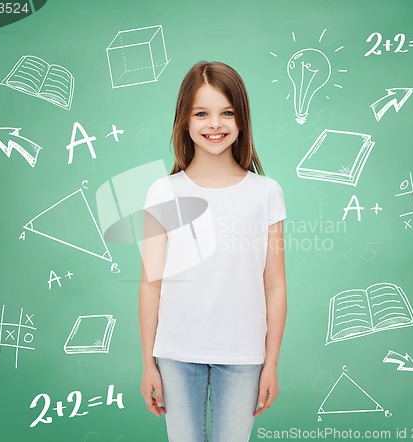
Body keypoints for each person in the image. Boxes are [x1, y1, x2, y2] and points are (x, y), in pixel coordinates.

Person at [139, 61, 287, 442]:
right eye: (201, 113)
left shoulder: (266, 192)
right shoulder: (164, 191)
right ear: (185, 122)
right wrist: (148, 364)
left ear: (241, 121)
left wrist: (271, 363)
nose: (215, 124)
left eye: (226, 113)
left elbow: (274, 284)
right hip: (176, 351)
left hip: (243, 354)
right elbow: (150, 283)